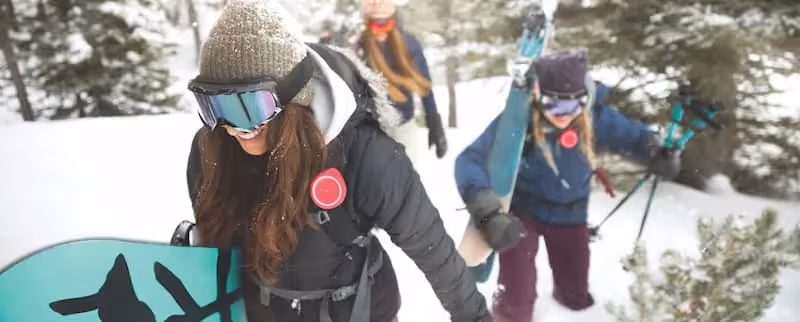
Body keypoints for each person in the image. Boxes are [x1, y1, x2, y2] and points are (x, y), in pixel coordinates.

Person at [184, 1, 490, 321]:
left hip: (356, 309)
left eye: (246, 105)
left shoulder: (365, 156)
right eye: (212, 105)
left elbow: (432, 248)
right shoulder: (213, 149)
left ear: (292, 98)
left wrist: (475, 316)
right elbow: (218, 248)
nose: (232, 127)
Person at [454, 48, 682, 322]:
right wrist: (485, 206)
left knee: (576, 297)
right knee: (514, 300)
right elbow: (468, 160)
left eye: (573, 105)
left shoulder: (594, 118)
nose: (563, 114)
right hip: (523, 212)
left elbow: (632, 136)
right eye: (553, 105)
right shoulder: (520, 119)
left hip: (570, 214)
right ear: (538, 95)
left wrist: (654, 150)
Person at [352, 0, 447, 165]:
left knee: (406, 179)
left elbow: (425, 85)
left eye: (384, 23)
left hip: (403, 125)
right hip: (371, 130)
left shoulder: (408, 43)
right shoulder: (358, 46)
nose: (380, 32)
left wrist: (433, 121)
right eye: (375, 24)